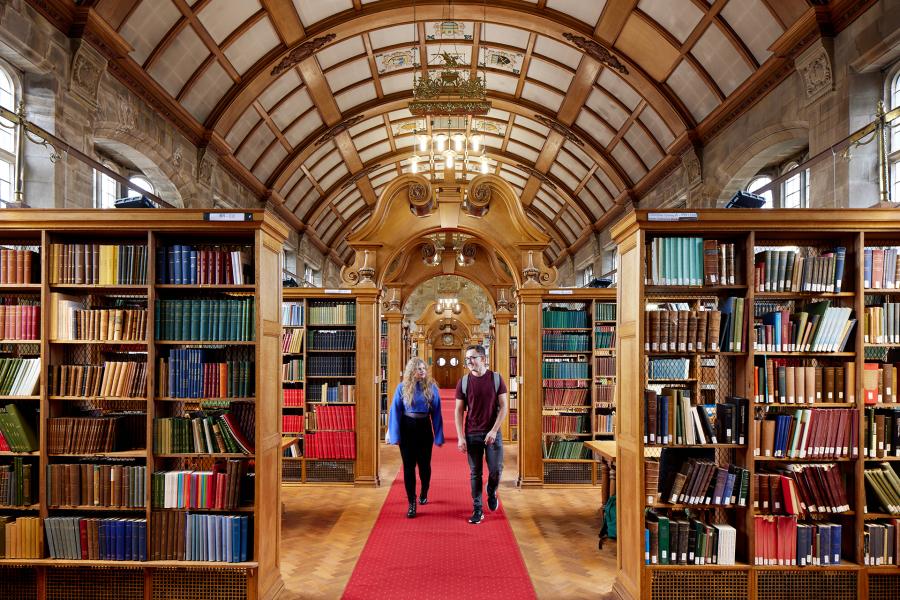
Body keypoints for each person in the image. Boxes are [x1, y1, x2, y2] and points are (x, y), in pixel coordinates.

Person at [455, 344, 508, 524]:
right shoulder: (463, 382)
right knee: (475, 473)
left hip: (492, 432)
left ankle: (491, 490)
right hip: (472, 433)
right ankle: (477, 509)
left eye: (473, 357)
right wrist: (460, 436)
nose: (469, 361)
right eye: (467, 358)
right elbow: (458, 411)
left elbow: (504, 407)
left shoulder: (496, 379)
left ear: (483, 359)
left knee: (495, 470)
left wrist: (494, 430)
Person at [387, 357, 444, 518]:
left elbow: (437, 414)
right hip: (407, 428)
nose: (422, 371)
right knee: (408, 467)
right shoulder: (402, 388)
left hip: (424, 428)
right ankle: (411, 502)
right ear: (412, 371)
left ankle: (424, 490)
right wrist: (394, 434)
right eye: (419, 368)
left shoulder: (432, 388)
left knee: (424, 466)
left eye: (424, 368)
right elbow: (395, 411)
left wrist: (438, 435)